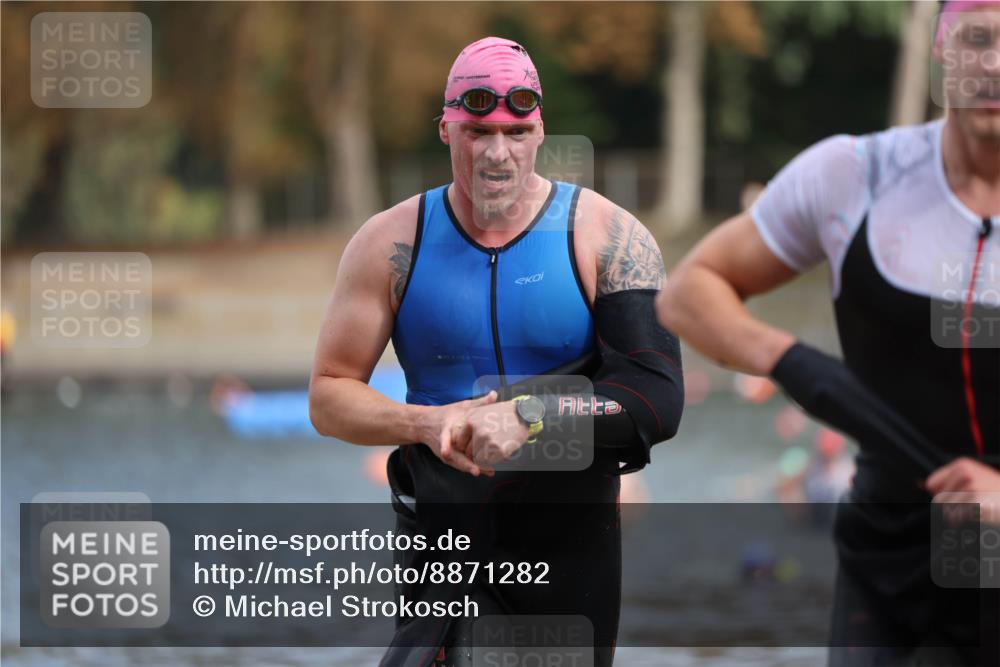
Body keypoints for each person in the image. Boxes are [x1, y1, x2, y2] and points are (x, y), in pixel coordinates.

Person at [309, 36, 684, 667]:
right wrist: (426, 423)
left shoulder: (608, 237)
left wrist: (529, 417)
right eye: (478, 131)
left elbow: (657, 397)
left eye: (516, 132)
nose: (497, 153)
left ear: (539, 132)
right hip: (443, 541)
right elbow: (329, 394)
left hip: (567, 550)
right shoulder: (389, 243)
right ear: (447, 132)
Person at [657, 2, 998, 664]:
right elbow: (689, 292)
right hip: (889, 559)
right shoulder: (855, 175)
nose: (993, 65)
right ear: (941, 50)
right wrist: (792, 360)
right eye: (976, 39)